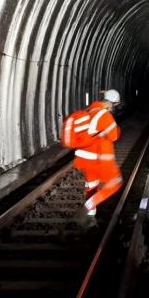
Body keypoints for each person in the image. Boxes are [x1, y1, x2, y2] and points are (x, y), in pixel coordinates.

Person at [64, 89, 123, 229]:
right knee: (115, 182)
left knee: (91, 186)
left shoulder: (89, 110)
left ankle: (90, 219)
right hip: (97, 157)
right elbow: (114, 135)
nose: (113, 109)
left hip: (83, 157)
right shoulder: (104, 114)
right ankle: (88, 206)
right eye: (114, 106)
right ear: (111, 104)